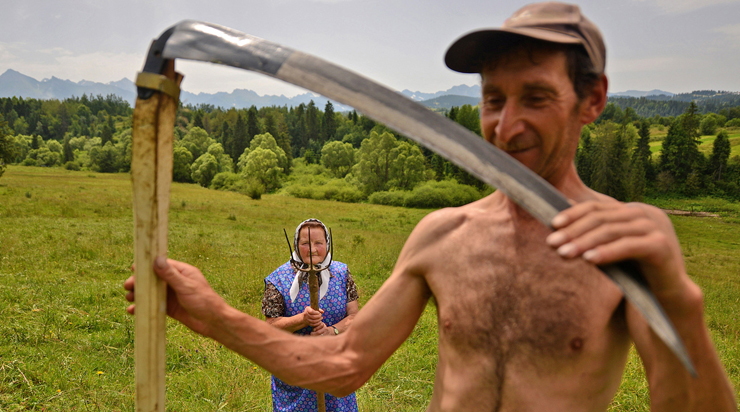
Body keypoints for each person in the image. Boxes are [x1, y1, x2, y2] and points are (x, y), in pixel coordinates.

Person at [125, 3, 737, 411]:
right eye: (493, 98)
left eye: (537, 97)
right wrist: (210, 315)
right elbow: (343, 363)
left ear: (593, 98)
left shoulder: (624, 246)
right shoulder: (443, 236)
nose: (507, 124)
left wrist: (681, 306)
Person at [262, 218, 359, 411]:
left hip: (335, 366)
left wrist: (332, 331)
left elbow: (355, 318)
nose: (312, 250)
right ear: (297, 245)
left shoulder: (342, 273)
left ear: (327, 244)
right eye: (305, 243)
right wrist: (302, 320)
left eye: (318, 243)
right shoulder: (278, 279)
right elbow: (270, 327)